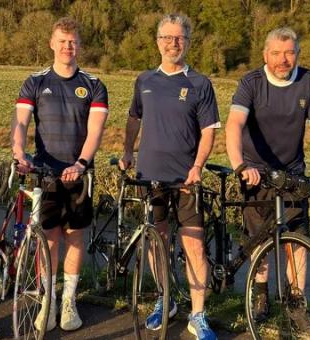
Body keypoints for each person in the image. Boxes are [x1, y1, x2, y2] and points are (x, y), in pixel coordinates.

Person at [225, 27, 310, 334]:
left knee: (297, 243)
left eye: (289, 53)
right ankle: (261, 297)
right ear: (265, 55)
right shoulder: (251, 82)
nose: (283, 60)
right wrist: (240, 165)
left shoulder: (309, 82)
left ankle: (297, 306)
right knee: (259, 240)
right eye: (276, 53)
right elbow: (234, 125)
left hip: (292, 173)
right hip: (255, 173)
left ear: (297, 54)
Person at [120, 13, 219, 340]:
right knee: (156, 241)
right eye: (167, 38)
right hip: (151, 177)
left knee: (194, 245)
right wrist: (127, 151)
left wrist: (198, 167)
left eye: (179, 38)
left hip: (186, 180)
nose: (173, 43)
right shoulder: (144, 80)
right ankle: (166, 299)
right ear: (158, 42)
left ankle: (198, 313)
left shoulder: (200, 84)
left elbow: (208, 131)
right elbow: (134, 118)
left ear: (188, 42)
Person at [11, 17, 109, 332]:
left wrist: (81, 163)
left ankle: (68, 301)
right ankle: (48, 301)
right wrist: (19, 153)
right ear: (52, 43)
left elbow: (95, 131)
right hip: (45, 174)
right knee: (49, 240)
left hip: (79, 173)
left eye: (73, 42)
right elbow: (21, 124)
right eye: (62, 41)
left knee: (75, 237)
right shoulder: (35, 82)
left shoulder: (94, 85)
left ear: (79, 45)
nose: (68, 47)